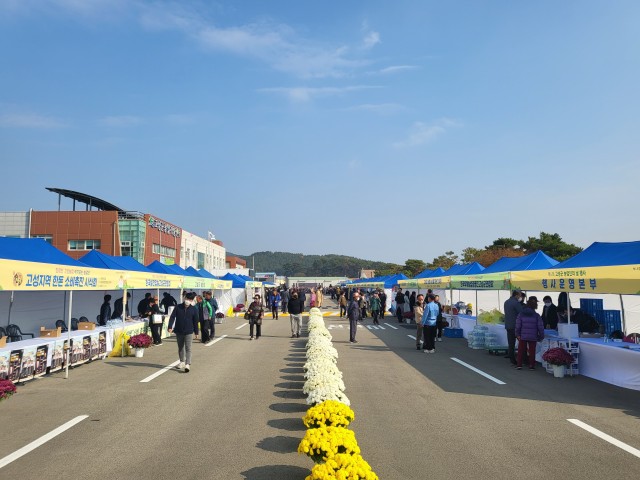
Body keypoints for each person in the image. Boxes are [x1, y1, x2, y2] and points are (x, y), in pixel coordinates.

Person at [168, 292, 199, 372]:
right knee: (181, 347)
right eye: (187, 299)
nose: (188, 300)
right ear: (184, 298)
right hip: (179, 330)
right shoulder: (178, 307)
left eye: (190, 299)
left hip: (189, 331)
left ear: (192, 300)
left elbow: (195, 321)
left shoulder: (194, 309)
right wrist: (170, 327)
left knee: (188, 348)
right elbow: (172, 317)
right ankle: (182, 361)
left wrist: (196, 332)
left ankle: (188, 364)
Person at [515, 297, 544, 370]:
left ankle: (519, 365)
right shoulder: (536, 315)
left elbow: (518, 325)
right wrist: (541, 336)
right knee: (532, 351)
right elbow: (540, 327)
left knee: (521, 351)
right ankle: (532, 365)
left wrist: (517, 333)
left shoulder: (521, 314)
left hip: (523, 335)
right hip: (533, 336)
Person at [504, 290, 524, 366]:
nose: (520, 297)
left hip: (508, 325)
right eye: (520, 295)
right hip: (516, 326)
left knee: (511, 344)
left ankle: (512, 359)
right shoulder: (516, 303)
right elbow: (521, 313)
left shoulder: (506, 302)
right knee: (522, 343)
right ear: (517, 295)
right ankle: (522, 359)